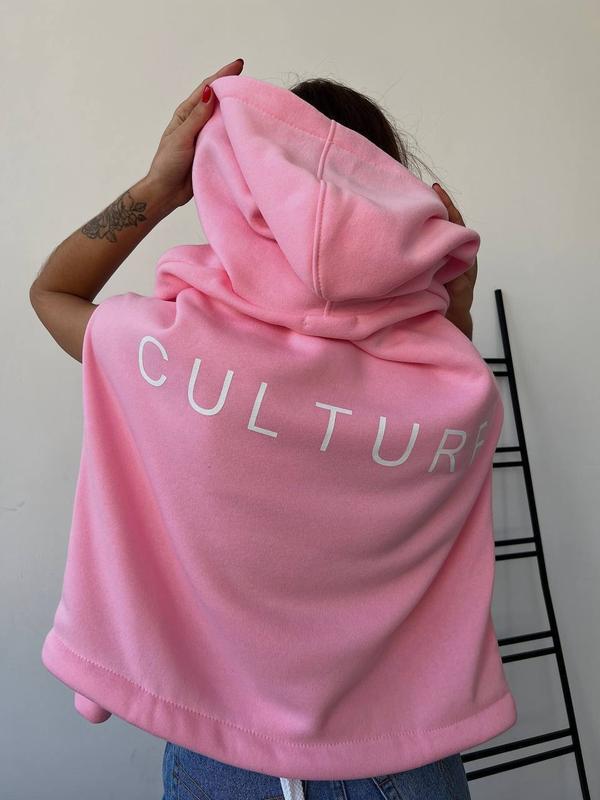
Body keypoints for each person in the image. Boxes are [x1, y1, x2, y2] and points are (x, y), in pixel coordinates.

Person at [31, 58, 515, 800]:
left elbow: (53, 291)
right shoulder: (457, 393)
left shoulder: (166, 351)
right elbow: (442, 375)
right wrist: (455, 302)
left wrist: (160, 184)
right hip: (404, 756)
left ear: (245, 185)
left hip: (222, 753)